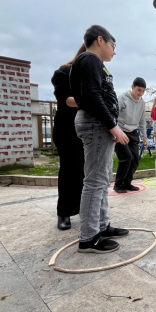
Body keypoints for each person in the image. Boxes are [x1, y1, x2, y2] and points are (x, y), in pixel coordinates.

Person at [70, 25, 130, 254]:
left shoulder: (94, 63)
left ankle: (102, 226)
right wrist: (113, 127)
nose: (114, 51)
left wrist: (110, 127)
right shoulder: (89, 59)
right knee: (95, 181)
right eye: (113, 46)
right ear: (100, 40)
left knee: (103, 179)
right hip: (95, 124)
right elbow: (93, 97)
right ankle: (89, 237)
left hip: (99, 125)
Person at [51, 44, 86, 230]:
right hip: (67, 128)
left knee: (83, 171)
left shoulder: (92, 76)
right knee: (68, 170)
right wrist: (90, 99)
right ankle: (63, 212)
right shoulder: (64, 72)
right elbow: (66, 100)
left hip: (85, 128)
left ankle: (82, 209)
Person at [113, 77, 148, 193]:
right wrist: (117, 132)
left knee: (135, 159)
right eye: (138, 90)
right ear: (132, 87)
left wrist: (144, 137)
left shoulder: (142, 102)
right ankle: (118, 184)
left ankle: (127, 183)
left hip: (133, 132)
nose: (140, 93)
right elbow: (114, 116)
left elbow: (142, 121)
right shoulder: (123, 98)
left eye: (143, 91)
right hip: (121, 131)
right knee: (126, 157)